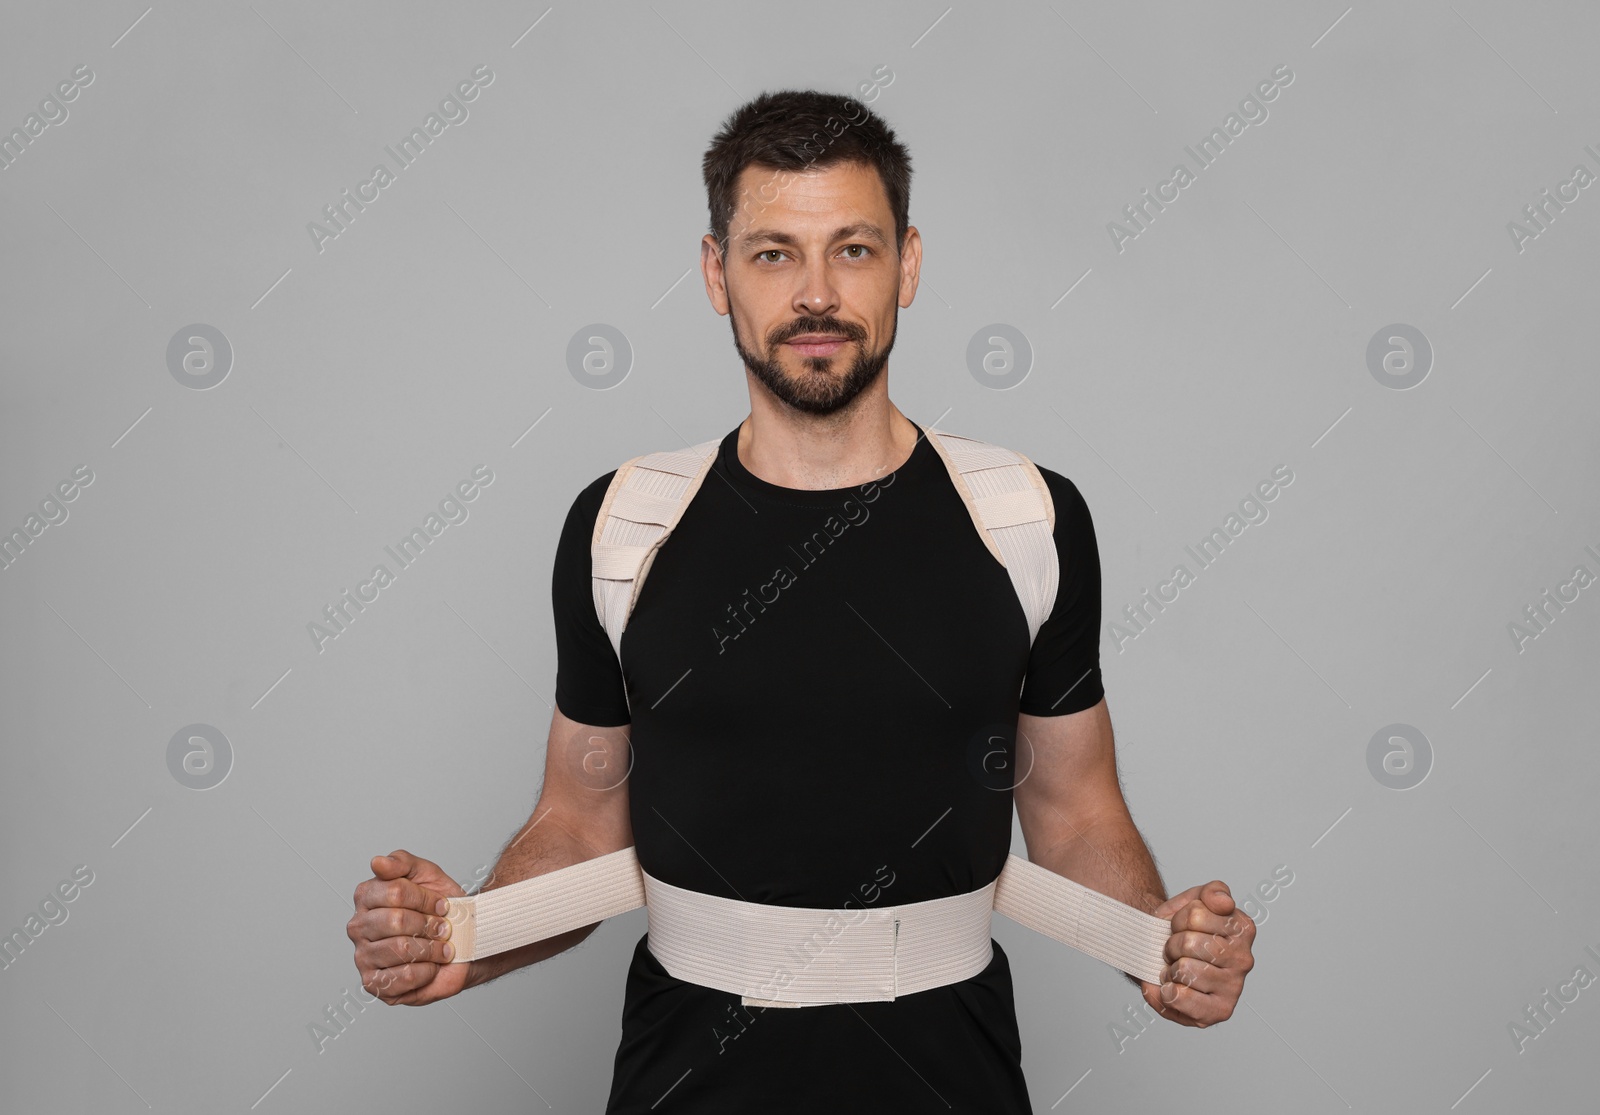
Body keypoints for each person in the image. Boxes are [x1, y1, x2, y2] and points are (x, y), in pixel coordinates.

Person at [348, 88, 1256, 1112]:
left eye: (853, 250)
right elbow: (580, 817)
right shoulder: (623, 526)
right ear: (715, 273)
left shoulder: (1026, 519)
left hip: (950, 1078)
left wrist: (1156, 944)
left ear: (908, 263)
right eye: (773, 253)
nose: (815, 293)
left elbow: (1074, 808)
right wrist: (467, 934)